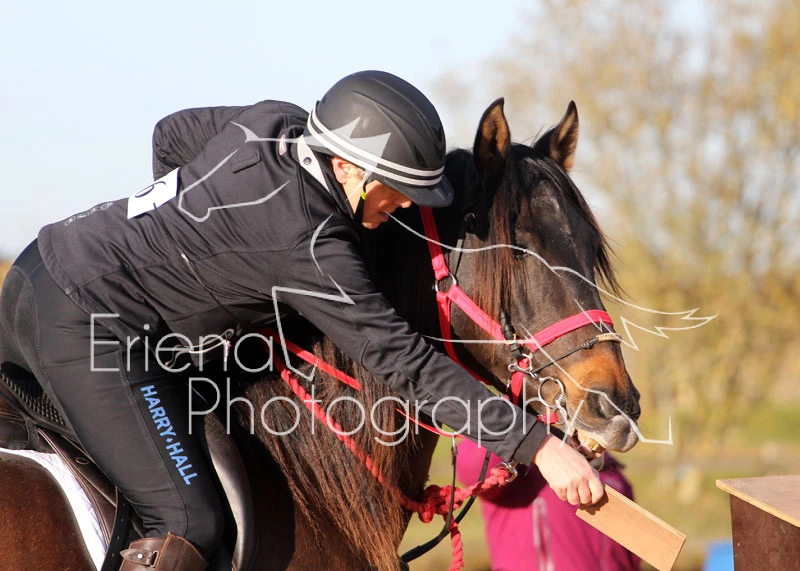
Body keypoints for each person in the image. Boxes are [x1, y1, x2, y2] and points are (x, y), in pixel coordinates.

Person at [0, 70, 604, 570]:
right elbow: (404, 363)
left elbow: (172, 134)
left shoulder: (275, 122)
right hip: (88, 329)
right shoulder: (313, 248)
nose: (403, 206)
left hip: (34, 272)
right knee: (189, 520)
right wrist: (536, 445)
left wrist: (182, 238)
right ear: (348, 169)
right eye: (397, 191)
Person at [457, 439, 640, 571]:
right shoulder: (521, 462)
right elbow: (474, 467)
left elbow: (628, 557)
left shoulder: (614, 474)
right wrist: (516, 411)